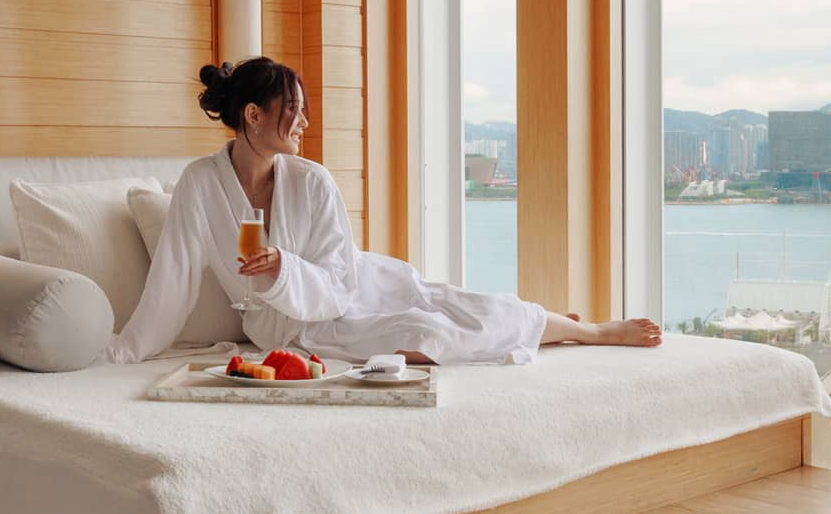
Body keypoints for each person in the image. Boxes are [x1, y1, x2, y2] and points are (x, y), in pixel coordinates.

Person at [105, 57, 662, 365]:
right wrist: (124, 352)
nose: (303, 123)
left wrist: (285, 269)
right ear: (253, 115)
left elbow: (340, 276)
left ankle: (586, 331)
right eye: (293, 110)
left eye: (304, 110)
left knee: (457, 304)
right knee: (426, 333)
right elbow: (172, 281)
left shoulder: (312, 180)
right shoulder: (201, 184)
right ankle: (539, 326)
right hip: (294, 328)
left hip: (352, 287)